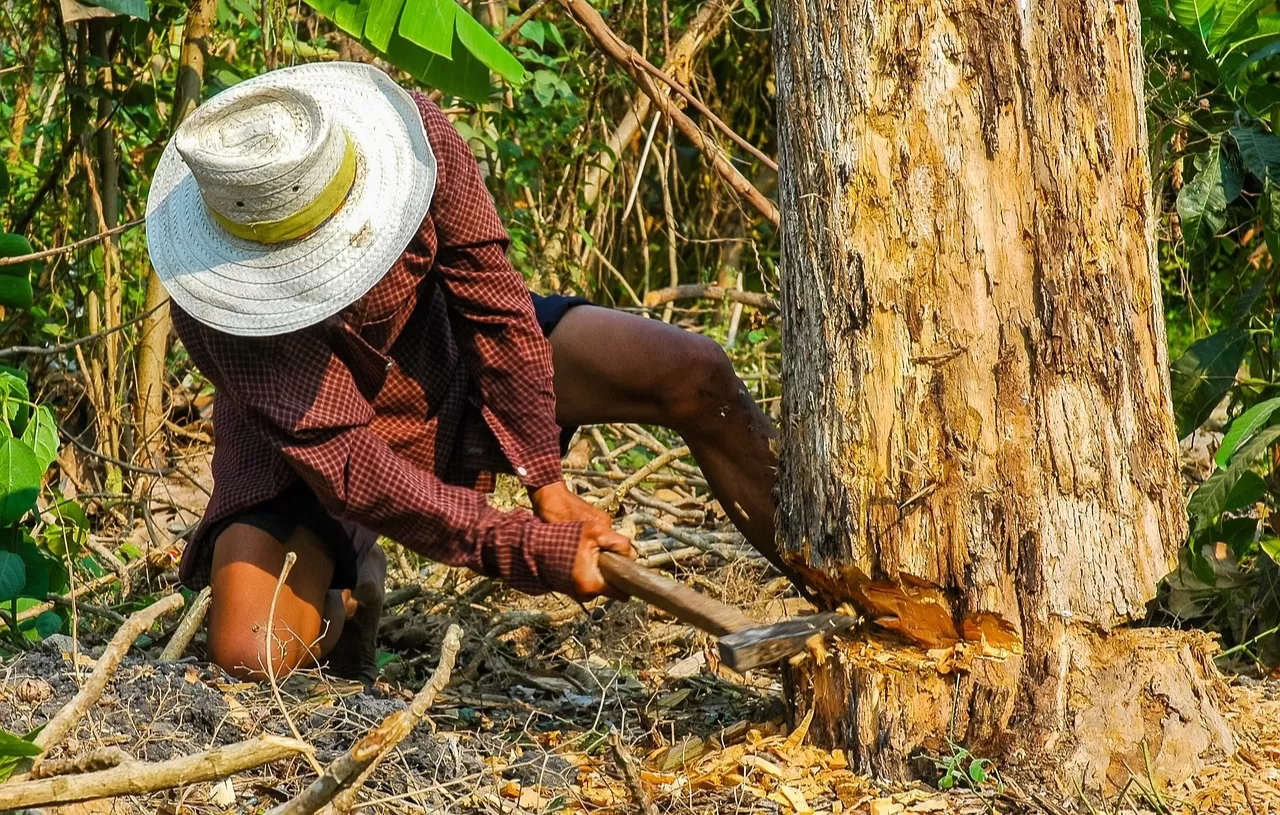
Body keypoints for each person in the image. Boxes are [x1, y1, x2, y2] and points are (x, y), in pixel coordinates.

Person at [145, 62, 788, 684]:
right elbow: (351, 468)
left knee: (694, 372)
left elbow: (499, 311)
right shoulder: (217, 315)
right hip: (311, 444)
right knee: (248, 652)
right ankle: (350, 582)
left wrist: (547, 483)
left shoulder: (416, 144)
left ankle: (838, 584)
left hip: (446, 355)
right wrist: (527, 548)